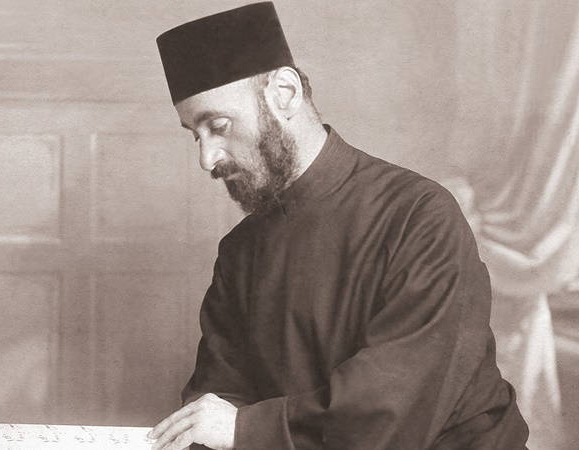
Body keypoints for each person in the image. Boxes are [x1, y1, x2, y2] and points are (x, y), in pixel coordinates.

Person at [149, 2, 529, 449]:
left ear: (284, 93)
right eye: (195, 135)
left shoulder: (420, 215)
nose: (206, 158)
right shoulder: (241, 250)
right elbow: (219, 395)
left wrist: (244, 429)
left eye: (218, 126)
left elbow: (396, 403)